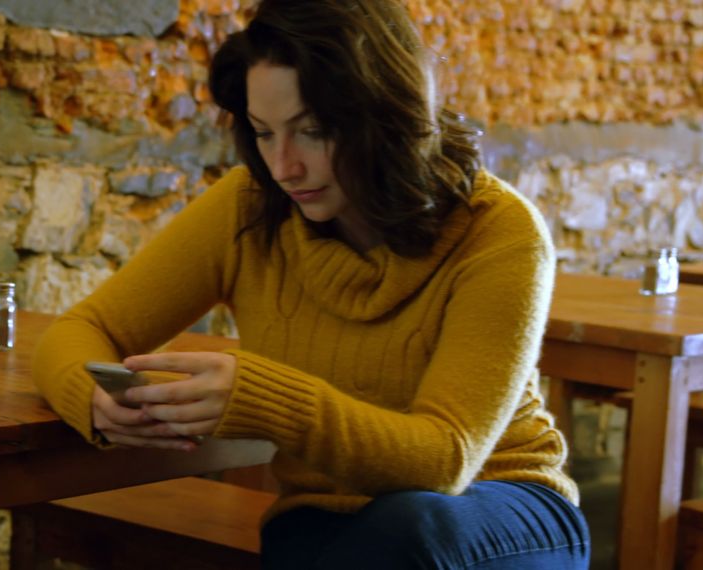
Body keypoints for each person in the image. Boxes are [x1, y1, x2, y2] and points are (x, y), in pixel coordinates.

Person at [33, 0, 590, 567]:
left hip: (501, 509)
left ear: (386, 114)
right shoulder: (249, 208)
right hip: (330, 518)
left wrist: (263, 398)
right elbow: (83, 328)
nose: (284, 166)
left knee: (409, 527)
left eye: (314, 131)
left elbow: (444, 460)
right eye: (264, 133)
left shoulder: (497, 228)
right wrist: (95, 401)